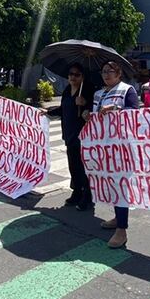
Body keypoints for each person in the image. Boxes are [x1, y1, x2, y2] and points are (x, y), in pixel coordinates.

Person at [93, 60, 139, 249]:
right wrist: (88, 115)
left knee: (121, 187)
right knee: (112, 186)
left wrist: (114, 108)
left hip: (121, 148)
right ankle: (117, 217)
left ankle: (122, 230)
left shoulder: (127, 90)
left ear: (119, 73)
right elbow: (96, 119)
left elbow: (135, 113)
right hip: (104, 148)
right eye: (103, 71)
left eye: (110, 71)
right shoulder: (98, 93)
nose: (106, 74)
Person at [60, 64, 96, 211]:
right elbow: (63, 109)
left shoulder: (89, 90)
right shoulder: (67, 90)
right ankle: (76, 191)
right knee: (73, 166)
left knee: (83, 167)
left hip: (83, 135)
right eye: (70, 74)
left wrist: (86, 104)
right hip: (69, 133)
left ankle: (87, 195)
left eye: (76, 74)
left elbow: (95, 109)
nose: (72, 77)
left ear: (82, 76)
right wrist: (49, 111)